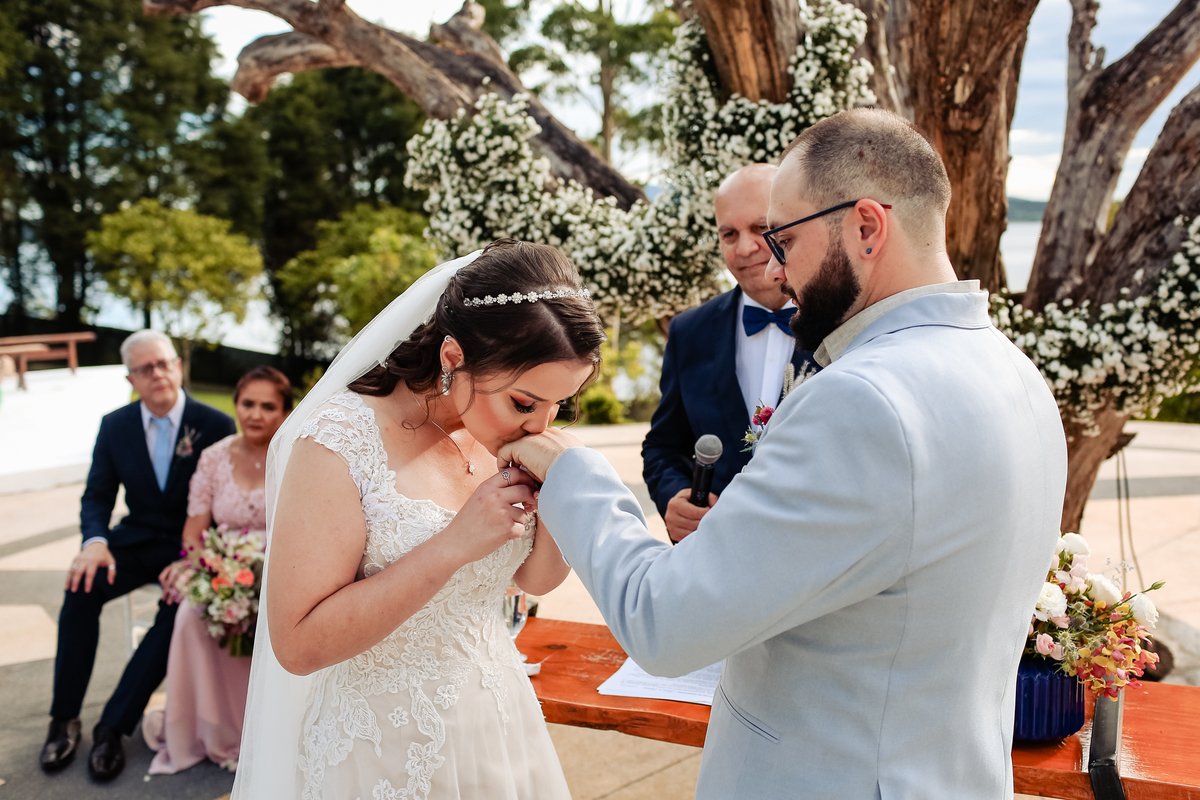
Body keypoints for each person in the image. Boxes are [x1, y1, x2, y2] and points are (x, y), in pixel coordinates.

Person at [498, 109, 1068, 799]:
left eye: (785, 237)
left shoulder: (863, 401)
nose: (772, 263)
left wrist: (570, 471)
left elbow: (665, 622)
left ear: (865, 226)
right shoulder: (1015, 373)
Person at [232, 239, 605, 800]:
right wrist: (453, 545)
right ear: (453, 358)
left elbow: (534, 579)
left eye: (563, 405)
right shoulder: (339, 443)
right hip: (377, 747)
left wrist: (563, 488)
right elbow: (298, 644)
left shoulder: (507, 438)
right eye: (525, 403)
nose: (540, 426)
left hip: (496, 726)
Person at [41, 330, 236, 780]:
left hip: (187, 549)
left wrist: (195, 561)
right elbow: (97, 497)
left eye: (165, 363)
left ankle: (113, 726)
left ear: (178, 366)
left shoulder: (215, 425)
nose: (158, 374)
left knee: (177, 610)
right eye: (146, 369)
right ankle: (63, 718)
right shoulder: (115, 425)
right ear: (130, 378)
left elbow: (223, 506)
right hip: (132, 542)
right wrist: (94, 544)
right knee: (79, 589)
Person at [642, 163, 816, 543]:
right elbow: (663, 447)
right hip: (718, 555)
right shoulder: (689, 331)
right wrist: (675, 498)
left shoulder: (843, 323)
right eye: (729, 233)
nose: (745, 247)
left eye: (761, 228)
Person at [143, 366, 293, 774]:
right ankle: (213, 729)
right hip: (221, 565)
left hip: (283, 566)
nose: (256, 414)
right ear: (235, 405)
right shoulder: (213, 457)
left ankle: (269, 728)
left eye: (268, 406)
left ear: (283, 412)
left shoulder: (296, 455)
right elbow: (194, 531)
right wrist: (213, 573)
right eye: (248, 404)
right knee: (190, 617)